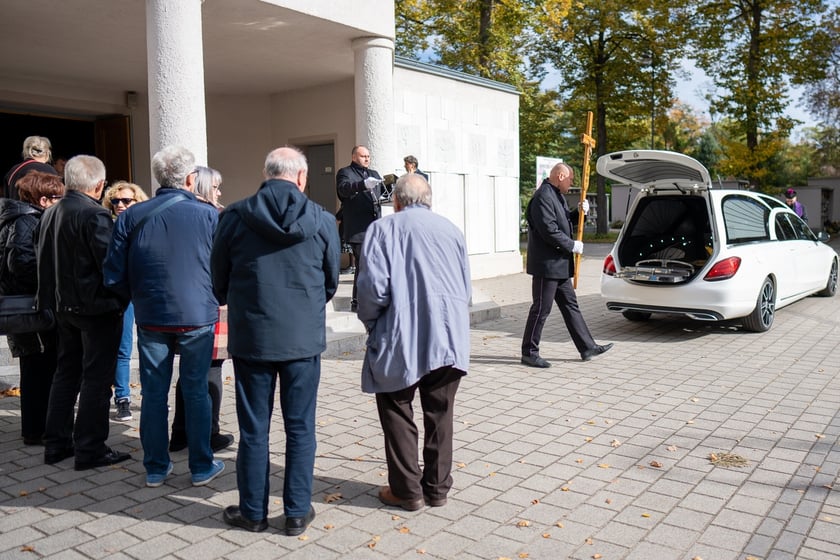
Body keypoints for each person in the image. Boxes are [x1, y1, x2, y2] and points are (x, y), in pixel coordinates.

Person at [212, 146, 340, 536]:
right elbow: (331, 279)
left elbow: (219, 278)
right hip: (301, 339)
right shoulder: (320, 218)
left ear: (266, 174)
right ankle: (297, 512)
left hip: (253, 337)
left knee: (254, 429)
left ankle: (254, 512)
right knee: (300, 427)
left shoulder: (234, 215)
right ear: (300, 178)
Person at [103, 146, 223, 488]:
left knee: (154, 393)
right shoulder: (209, 215)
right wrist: (217, 297)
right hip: (198, 314)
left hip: (152, 314)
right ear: (189, 178)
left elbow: (113, 273)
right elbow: (225, 267)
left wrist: (135, 298)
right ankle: (200, 466)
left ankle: (156, 466)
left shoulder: (130, 215)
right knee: (196, 390)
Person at [356, 173, 470, 511]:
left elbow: (372, 288)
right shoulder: (451, 229)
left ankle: (407, 491)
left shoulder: (383, 229)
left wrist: (370, 322)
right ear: (429, 201)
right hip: (449, 335)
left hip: (401, 332)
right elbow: (464, 286)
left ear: (397, 202)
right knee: (440, 412)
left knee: (395, 405)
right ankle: (437, 489)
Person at [36, 155, 131, 470]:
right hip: (94, 309)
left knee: (66, 373)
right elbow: (112, 267)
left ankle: (57, 444)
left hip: (64, 306)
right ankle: (90, 448)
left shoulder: (50, 213)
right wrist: (120, 300)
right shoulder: (95, 216)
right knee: (95, 378)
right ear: (100, 185)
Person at [520, 162, 613, 368]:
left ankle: (587, 347)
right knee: (541, 309)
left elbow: (563, 221)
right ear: (561, 176)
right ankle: (529, 352)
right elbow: (549, 230)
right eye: (571, 179)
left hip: (558, 265)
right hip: (547, 266)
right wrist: (572, 245)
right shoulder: (543, 196)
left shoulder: (555, 194)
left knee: (571, 306)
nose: (571, 184)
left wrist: (579, 212)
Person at [169, 165, 234, 453]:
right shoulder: (215, 216)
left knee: (190, 368)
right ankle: (209, 432)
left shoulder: (178, 215)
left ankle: (180, 432)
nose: (220, 192)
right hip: (213, 299)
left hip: (184, 300)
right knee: (210, 369)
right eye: (217, 187)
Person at [0, 171, 64, 446]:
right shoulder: (28, 220)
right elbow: (22, 263)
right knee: (39, 367)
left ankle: (37, 428)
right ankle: (37, 430)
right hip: (30, 306)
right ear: (44, 199)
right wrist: (51, 281)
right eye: (58, 197)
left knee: (38, 366)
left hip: (29, 304)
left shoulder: (22, 218)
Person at [102, 181, 150, 422]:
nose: (120, 205)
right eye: (116, 201)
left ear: (138, 201)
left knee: (149, 346)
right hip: (122, 294)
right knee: (123, 348)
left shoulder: (148, 224)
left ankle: (151, 395)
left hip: (145, 291)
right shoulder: (106, 227)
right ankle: (122, 398)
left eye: (126, 200)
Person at [336, 145, 391, 311]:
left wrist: (391, 189)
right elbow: (343, 190)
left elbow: (382, 193)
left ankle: (374, 297)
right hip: (358, 228)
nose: (367, 159)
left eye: (368, 156)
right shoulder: (345, 173)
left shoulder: (374, 174)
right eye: (363, 156)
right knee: (363, 264)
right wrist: (362, 185)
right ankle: (357, 302)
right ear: (354, 157)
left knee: (376, 264)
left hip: (375, 227)